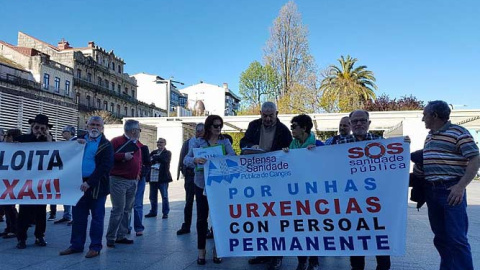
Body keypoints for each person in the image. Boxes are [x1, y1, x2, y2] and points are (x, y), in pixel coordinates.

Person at [422, 100, 479, 270]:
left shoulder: (459, 133)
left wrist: (460, 186)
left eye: (424, 115)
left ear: (435, 115)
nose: (422, 119)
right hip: (432, 191)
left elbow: (475, 158)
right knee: (441, 238)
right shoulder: (430, 135)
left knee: (456, 239)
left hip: (451, 190)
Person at [333, 110, 390, 270]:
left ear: (369, 123)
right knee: (357, 239)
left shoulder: (381, 143)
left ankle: (383, 267)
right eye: (355, 121)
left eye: (362, 121)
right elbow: (323, 162)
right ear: (350, 124)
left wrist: (404, 145)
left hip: (376, 201)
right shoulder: (338, 145)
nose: (359, 124)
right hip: (352, 202)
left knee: (380, 237)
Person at [240, 101, 292, 270]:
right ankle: (263, 252)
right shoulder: (253, 125)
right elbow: (243, 142)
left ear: (277, 113)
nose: (268, 118)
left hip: (276, 180)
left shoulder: (284, 130)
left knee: (275, 217)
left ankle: (277, 256)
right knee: (259, 217)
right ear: (260, 113)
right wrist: (250, 146)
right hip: (256, 178)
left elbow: (289, 150)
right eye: (265, 115)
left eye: (271, 115)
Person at [184, 115, 236, 265]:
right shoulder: (197, 142)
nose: (218, 128)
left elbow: (233, 157)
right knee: (201, 218)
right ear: (208, 127)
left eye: (220, 126)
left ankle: (217, 249)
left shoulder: (225, 141)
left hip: (219, 185)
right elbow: (186, 160)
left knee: (218, 218)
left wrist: (224, 159)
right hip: (201, 184)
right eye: (215, 126)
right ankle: (201, 250)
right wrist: (195, 160)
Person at [59, 116, 113, 258]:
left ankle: (95, 247)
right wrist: (75, 145)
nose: (94, 127)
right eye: (92, 124)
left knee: (97, 218)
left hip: (97, 186)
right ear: (87, 125)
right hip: (78, 183)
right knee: (78, 217)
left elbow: (105, 167)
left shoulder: (106, 145)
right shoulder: (78, 141)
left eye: (98, 125)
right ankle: (76, 245)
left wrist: (89, 183)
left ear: (102, 128)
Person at [283, 114, 323, 270]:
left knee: (313, 228)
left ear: (304, 128)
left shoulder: (318, 145)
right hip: (296, 196)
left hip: (314, 196)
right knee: (299, 228)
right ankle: (301, 260)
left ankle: (313, 260)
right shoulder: (290, 147)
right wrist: (284, 156)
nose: (291, 129)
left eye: (294, 126)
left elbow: (329, 166)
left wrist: (317, 154)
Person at [15, 114, 53, 249]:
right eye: (36, 127)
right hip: (26, 182)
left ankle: (39, 236)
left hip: (42, 182)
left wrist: (47, 137)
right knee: (24, 211)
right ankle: (21, 238)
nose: (38, 130)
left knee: (41, 211)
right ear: (31, 127)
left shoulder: (50, 141)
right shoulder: (23, 139)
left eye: (42, 128)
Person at [106, 120, 143, 247]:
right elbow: (109, 156)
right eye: (139, 129)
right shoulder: (116, 141)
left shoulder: (137, 143)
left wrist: (138, 173)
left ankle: (121, 235)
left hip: (133, 181)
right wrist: (122, 156)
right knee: (118, 209)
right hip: (119, 180)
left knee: (127, 209)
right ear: (133, 130)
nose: (139, 132)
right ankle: (111, 237)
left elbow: (139, 161)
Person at [176, 123, 205, 235]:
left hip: (202, 176)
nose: (201, 134)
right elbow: (183, 157)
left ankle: (203, 226)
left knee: (202, 203)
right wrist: (182, 171)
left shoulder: (207, 142)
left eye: (202, 132)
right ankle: (186, 225)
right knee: (188, 202)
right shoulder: (188, 142)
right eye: (199, 132)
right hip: (190, 175)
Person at [0, 129, 22, 239]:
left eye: (7, 135)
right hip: (5, 182)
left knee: (10, 207)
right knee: (6, 206)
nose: (5, 137)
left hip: (12, 182)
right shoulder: (5, 147)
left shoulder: (17, 148)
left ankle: (14, 229)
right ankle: (9, 228)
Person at [54, 125, 78, 225]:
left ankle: (75, 217)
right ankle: (67, 215)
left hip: (74, 173)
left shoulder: (77, 142)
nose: (62, 133)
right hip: (66, 172)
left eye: (64, 131)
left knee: (73, 195)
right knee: (66, 194)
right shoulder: (66, 144)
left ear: (70, 132)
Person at [145, 138, 172, 219]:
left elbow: (165, 160)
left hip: (162, 178)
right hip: (153, 177)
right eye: (158, 142)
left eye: (161, 142)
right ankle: (153, 211)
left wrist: (156, 158)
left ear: (165, 143)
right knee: (152, 196)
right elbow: (149, 160)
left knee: (164, 196)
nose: (159, 143)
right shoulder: (153, 152)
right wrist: (156, 158)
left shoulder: (167, 153)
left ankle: (165, 212)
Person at [129, 145, 150, 236]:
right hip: (127, 178)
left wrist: (141, 174)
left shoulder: (143, 147)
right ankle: (126, 227)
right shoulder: (125, 146)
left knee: (137, 204)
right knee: (126, 205)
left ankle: (138, 228)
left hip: (140, 179)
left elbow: (148, 163)